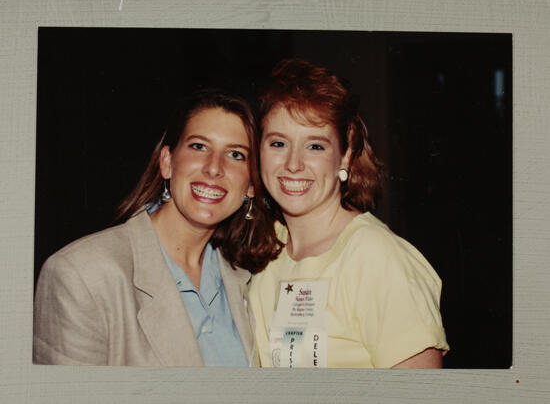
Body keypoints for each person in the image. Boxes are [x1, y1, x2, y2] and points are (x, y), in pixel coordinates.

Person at [33, 89, 281, 366]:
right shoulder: (81, 275)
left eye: (235, 154)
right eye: (199, 146)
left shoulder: (245, 279)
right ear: (167, 163)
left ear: (250, 185)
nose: (214, 168)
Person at [248, 59, 450, 368]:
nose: (293, 164)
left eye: (315, 146)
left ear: (344, 156)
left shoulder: (377, 258)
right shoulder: (264, 251)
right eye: (278, 143)